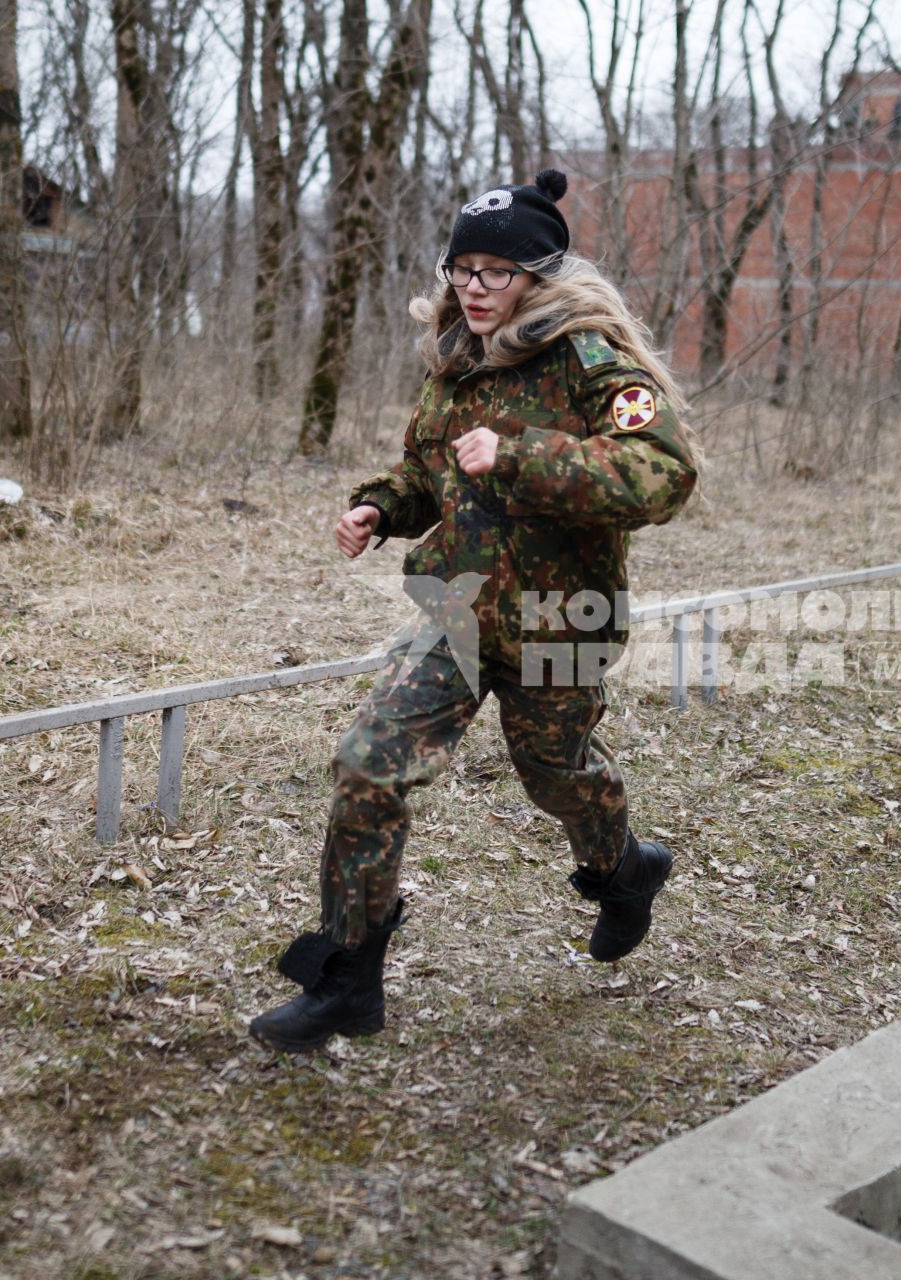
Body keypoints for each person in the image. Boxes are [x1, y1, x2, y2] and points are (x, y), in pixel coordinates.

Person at [250, 170, 700, 1053]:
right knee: (369, 766)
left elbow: (663, 477)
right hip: (452, 611)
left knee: (556, 776)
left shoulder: (589, 360)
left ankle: (624, 870)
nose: (476, 288)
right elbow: (430, 475)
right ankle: (347, 980)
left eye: (498, 271)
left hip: (560, 621)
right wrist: (381, 507)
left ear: (539, 274)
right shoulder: (455, 362)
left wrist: (524, 455)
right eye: (464, 269)